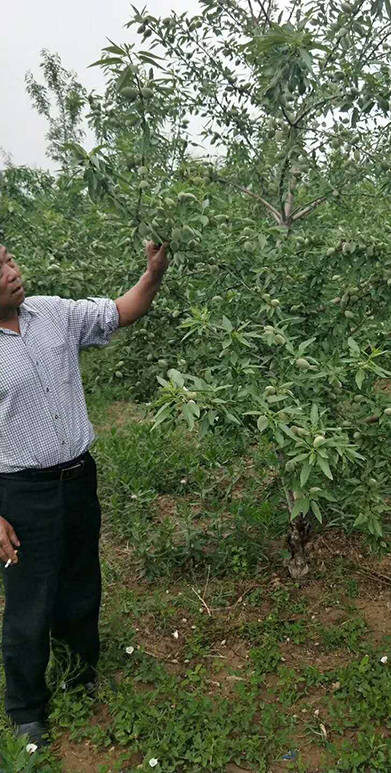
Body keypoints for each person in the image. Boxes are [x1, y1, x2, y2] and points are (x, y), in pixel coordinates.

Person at [0, 240, 169, 748]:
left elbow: (121, 311)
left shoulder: (52, 313)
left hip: (77, 479)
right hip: (21, 492)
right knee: (29, 600)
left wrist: (153, 273)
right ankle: (27, 707)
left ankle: (79, 674)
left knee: (80, 582)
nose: (12, 270)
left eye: (9, 259)